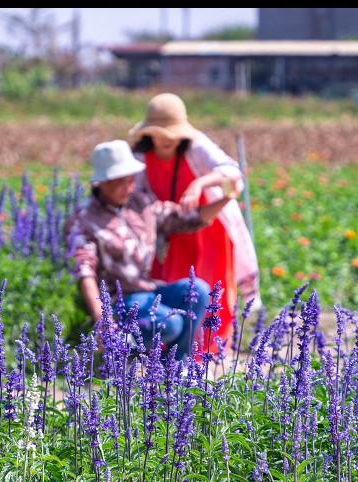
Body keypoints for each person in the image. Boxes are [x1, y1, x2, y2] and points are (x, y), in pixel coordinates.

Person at [68, 139, 239, 363]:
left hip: (149, 292)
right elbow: (85, 272)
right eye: (120, 181)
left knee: (198, 290)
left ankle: (176, 365)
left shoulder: (140, 204)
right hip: (119, 303)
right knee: (172, 323)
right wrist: (103, 318)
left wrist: (226, 198)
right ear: (102, 182)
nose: (128, 187)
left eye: (131, 180)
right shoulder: (84, 219)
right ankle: (117, 347)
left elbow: (185, 219)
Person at [129, 93, 261, 355]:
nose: (167, 139)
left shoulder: (196, 147)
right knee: (174, 283)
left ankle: (211, 352)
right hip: (171, 232)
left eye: (172, 132)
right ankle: (174, 351)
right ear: (149, 134)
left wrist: (200, 183)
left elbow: (234, 174)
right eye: (159, 133)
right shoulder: (142, 158)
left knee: (214, 289)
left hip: (209, 229)